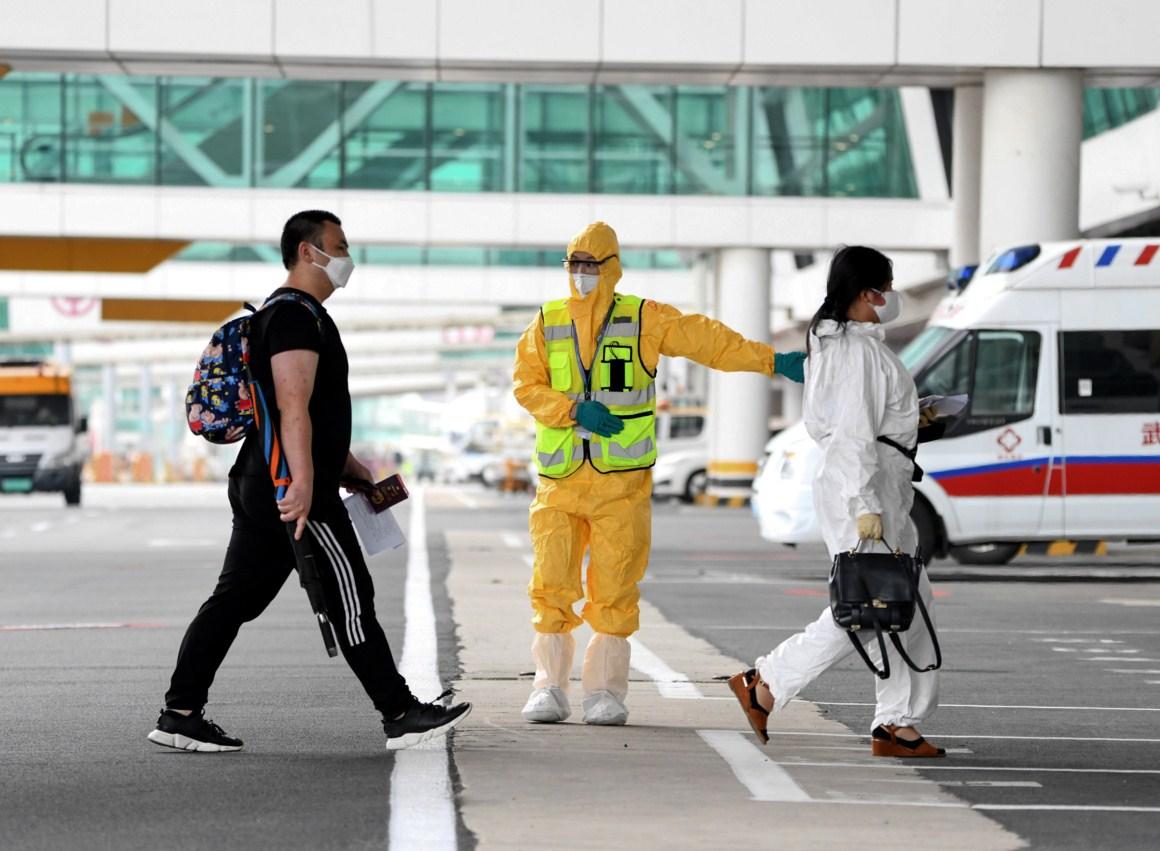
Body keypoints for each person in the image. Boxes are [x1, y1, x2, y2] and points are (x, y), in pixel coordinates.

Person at [148, 210, 470, 752]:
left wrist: (355, 471)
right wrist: (301, 484)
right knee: (350, 595)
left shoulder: (297, 316)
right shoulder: (295, 318)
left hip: (266, 478)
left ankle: (179, 712)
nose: (346, 257)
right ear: (306, 252)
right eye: (338, 246)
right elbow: (293, 406)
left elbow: (305, 414)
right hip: (291, 488)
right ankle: (398, 712)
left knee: (234, 600)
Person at [513, 221, 806, 726]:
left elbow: (706, 341)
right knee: (551, 585)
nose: (581, 275)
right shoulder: (548, 320)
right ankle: (548, 687)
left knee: (615, 590)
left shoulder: (643, 319)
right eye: (574, 265)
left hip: (619, 484)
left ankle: (604, 692)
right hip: (559, 482)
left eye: (590, 266)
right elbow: (525, 384)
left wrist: (770, 360)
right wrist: (571, 410)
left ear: (611, 268)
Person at [728, 245, 943, 758]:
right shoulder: (854, 353)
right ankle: (766, 681)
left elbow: (866, 426)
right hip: (864, 491)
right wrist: (865, 502)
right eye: (884, 286)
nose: (889, 296)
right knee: (874, 607)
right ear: (865, 290)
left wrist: (914, 420)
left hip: (876, 486)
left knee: (904, 604)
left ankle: (895, 722)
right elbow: (851, 436)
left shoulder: (850, 346)